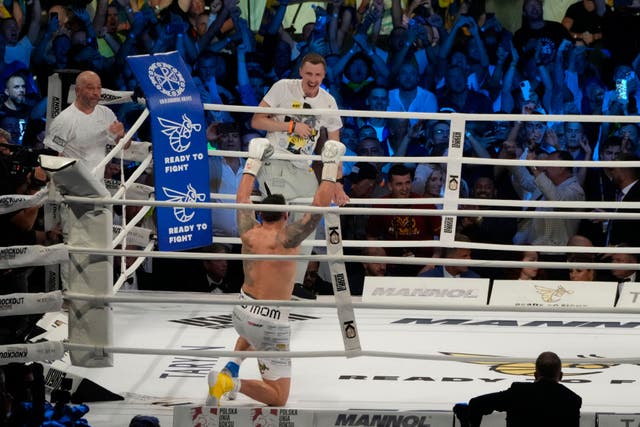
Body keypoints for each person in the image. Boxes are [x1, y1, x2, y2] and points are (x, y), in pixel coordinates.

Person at [205, 138, 345, 407]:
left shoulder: (248, 231)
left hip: (242, 311)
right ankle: (228, 383)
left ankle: (231, 367)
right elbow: (318, 207)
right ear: (285, 215)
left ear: (260, 214)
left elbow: (242, 197)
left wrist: (254, 159)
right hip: (270, 323)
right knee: (279, 397)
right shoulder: (287, 239)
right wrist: (329, 166)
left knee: (251, 327)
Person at [250, 52, 346, 288]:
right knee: (277, 219)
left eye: (318, 75)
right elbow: (257, 121)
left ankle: (295, 284)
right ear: (301, 72)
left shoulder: (328, 101)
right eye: (309, 74)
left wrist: (337, 182)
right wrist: (290, 126)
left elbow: (334, 145)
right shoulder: (283, 87)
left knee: (311, 216)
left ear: (324, 75)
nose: (313, 79)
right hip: (275, 160)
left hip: (302, 167)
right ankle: (266, 281)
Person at [454, 351, 582, 427]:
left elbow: (476, 403)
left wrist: (468, 422)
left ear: (535, 375)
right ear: (561, 376)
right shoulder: (573, 399)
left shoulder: (519, 392)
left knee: (463, 409)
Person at [43, 71, 126, 177]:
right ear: (78, 91)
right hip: (72, 185)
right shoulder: (64, 120)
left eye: (99, 88)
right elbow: (52, 156)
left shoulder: (106, 114)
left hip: (97, 184)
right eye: (90, 88)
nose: (96, 93)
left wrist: (121, 135)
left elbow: (126, 146)